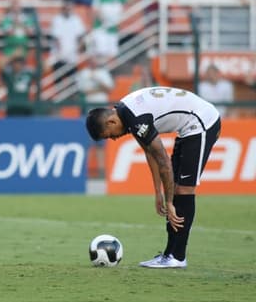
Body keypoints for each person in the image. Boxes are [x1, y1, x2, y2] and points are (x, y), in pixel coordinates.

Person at [85, 86, 222, 268]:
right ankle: (169, 254)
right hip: (188, 127)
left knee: (184, 188)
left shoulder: (136, 118)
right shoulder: (127, 113)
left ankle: (178, 257)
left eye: (111, 136)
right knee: (175, 185)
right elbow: (150, 153)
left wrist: (170, 202)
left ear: (111, 122)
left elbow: (163, 160)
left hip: (202, 122)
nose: (115, 139)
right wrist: (158, 192)